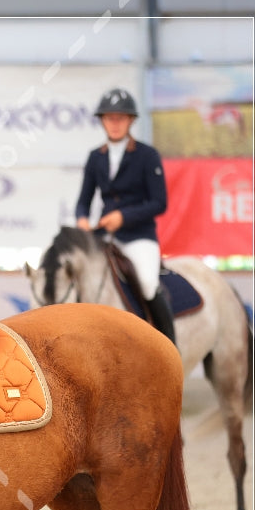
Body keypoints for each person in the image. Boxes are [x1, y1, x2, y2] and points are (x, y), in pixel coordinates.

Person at [75, 87, 175, 345]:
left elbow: (159, 203)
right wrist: (82, 218)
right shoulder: (95, 157)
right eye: (109, 118)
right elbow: (83, 200)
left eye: (120, 118)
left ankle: (168, 345)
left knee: (148, 282)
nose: (115, 123)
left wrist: (124, 217)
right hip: (105, 237)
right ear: (102, 121)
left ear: (130, 121)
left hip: (138, 236)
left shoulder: (147, 155)